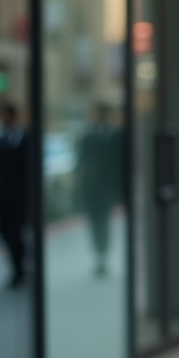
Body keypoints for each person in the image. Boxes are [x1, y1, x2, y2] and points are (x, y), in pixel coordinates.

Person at [0, 102, 30, 288]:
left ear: (12, 116)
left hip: (22, 197)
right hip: (4, 197)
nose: (2, 119)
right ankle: (19, 265)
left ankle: (19, 271)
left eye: (4, 115)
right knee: (3, 231)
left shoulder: (26, 139)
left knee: (15, 233)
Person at [78, 104, 123, 276]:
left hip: (107, 188)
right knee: (94, 222)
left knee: (103, 222)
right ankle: (98, 254)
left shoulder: (115, 135)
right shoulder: (88, 135)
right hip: (91, 188)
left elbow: (120, 163)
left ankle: (103, 254)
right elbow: (82, 162)